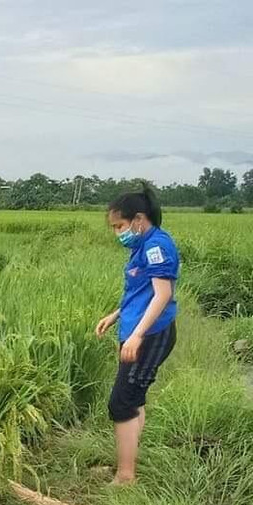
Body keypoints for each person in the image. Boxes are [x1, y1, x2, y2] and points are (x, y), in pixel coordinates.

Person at [94, 183, 179, 485]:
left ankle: (126, 475)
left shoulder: (157, 246)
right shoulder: (141, 246)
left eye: (119, 225)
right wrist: (115, 315)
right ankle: (126, 463)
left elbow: (162, 295)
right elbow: (140, 291)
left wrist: (137, 336)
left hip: (150, 334)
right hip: (136, 329)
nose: (118, 232)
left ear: (139, 219)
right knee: (134, 397)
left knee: (122, 402)